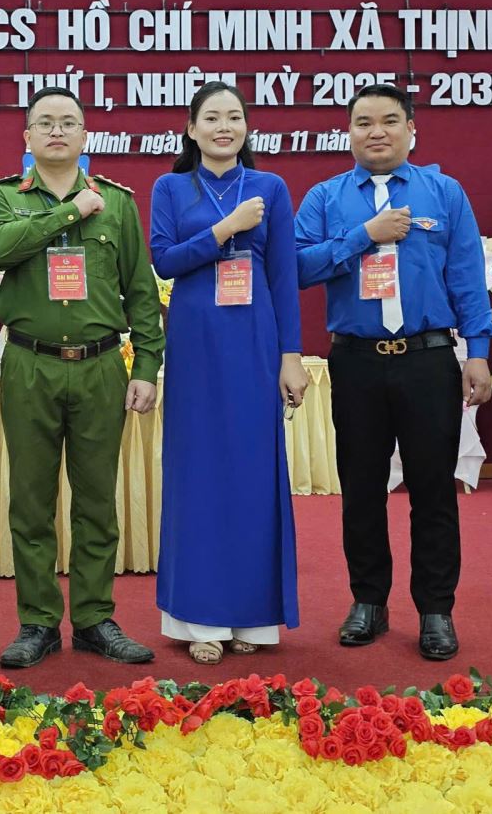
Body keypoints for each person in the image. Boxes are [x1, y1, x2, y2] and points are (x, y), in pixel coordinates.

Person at [293, 84, 492, 661]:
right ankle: (368, 601)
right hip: (356, 360)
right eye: (363, 122)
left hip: (428, 358)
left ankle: (436, 609)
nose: (376, 131)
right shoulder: (326, 197)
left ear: (411, 130)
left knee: (433, 490)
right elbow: (297, 266)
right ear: (348, 133)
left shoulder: (444, 192)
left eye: (388, 120)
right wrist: (364, 236)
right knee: (361, 490)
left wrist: (477, 351)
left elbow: (466, 275)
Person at [0, 86, 165, 668]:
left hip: (101, 366)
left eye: (68, 122)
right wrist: (70, 212)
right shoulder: (2, 197)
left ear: (85, 135)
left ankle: (93, 618)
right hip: (29, 364)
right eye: (45, 123)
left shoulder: (118, 203)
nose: (57, 131)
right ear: (27, 136)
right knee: (31, 502)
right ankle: (37, 622)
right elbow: (0, 249)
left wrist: (148, 366)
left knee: (97, 501)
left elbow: (141, 291)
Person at [149, 82, 308, 665]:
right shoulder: (170, 187)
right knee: (197, 473)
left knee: (252, 472)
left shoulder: (271, 187)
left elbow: (284, 277)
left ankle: (252, 619)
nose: (224, 127)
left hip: (254, 341)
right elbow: (164, 259)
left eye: (234, 117)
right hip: (194, 343)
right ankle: (199, 619)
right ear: (191, 129)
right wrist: (223, 230)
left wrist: (291, 355)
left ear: (246, 127)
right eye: (212, 117)